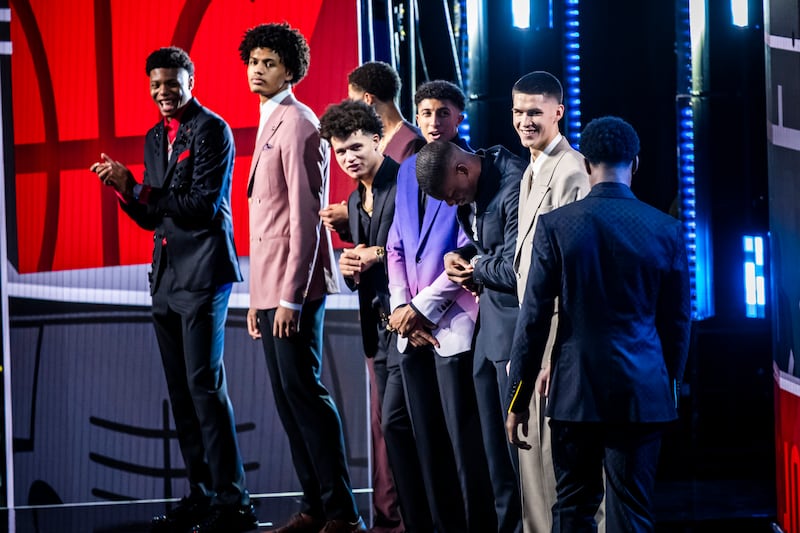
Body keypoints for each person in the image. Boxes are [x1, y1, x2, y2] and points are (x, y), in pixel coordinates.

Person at [89, 47, 257, 533]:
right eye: (156, 84)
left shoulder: (212, 129)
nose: (163, 92)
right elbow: (152, 216)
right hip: (164, 278)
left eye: (171, 83)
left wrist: (140, 189)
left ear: (190, 82)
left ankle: (233, 501)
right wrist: (124, 190)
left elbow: (202, 205)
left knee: (204, 385)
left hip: (203, 275)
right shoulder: (152, 137)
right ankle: (201, 494)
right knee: (181, 392)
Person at [505, 116, 691, 532]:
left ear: (587, 163)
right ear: (635, 163)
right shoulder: (667, 229)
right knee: (632, 513)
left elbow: (533, 319)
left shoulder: (556, 226)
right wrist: (670, 389)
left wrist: (517, 399)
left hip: (574, 392)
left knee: (572, 508)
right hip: (642, 394)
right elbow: (678, 322)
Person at [239, 23, 365, 533]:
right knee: (289, 400)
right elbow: (266, 223)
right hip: (270, 287)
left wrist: (289, 298)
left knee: (306, 397)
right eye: (253, 61)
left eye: (269, 63)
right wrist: (257, 299)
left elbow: (305, 219)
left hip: (296, 288)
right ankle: (315, 507)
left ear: (290, 70)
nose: (258, 70)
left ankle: (343, 514)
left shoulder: (298, 122)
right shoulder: (271, 118)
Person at [386, 80, 496, 532]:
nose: (434, 121)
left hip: (453, 322)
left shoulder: (471, 168)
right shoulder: (405, 170)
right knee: (422, 439)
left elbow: (470, 250)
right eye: (426, 113)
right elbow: (395, 245)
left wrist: (422, 307)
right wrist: (402, 308)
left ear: (459, 118)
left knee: (463, 443)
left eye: (443, 112)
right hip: (411, 326)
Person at [319, 99, 429, 533]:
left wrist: (375, 254)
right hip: (377, 331)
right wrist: (350, 266)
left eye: (356, 147)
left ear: (378, 140)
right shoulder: (352, 198)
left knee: (404, 425)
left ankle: (420, 521)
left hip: (411, 324)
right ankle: (403, 522)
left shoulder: (405, 181)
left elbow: (422, 248)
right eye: (340, 151)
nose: (348, 157)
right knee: (391, 429)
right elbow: (362, 269)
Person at [416, 137, 527, 533]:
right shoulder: (471, 189)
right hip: (488, 330)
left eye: (451, 195)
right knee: (494, 456)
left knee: (517, 455)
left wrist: (476, 266)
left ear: (462, 169)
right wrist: (459, 257)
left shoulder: (514, 184)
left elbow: (518, 267)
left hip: (514, 330)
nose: (452, 204)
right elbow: (483, 246)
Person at [509, 71, 590, 533]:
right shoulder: (533, 168)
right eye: (519, 111)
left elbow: (575, 271)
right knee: (534, 463)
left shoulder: (572, 169)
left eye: (535, 112)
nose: (525, 120)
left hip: (558, 339)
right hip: (535, 335)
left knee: (561, 471)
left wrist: (553, 354)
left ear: (558, 112)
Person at [320, 61, 424, 241]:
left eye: (352, 99)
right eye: (341, 152)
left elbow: (409, 213)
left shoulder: (412, 142)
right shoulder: (375, 140)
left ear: (368, 99)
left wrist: (351, 214)